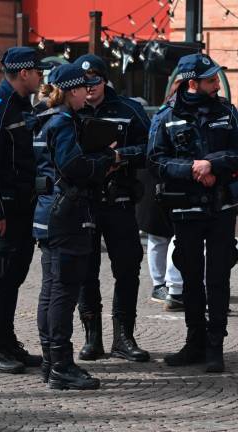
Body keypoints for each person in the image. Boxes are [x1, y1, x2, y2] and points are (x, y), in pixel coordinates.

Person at [148, 53, 238, 373]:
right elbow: (155, 160)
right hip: (186, 207)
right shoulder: (165, 116)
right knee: (190, 276)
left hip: (221, 206)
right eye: (211, 80)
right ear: (193, 83)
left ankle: (215, 344)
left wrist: (212, 165)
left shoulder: (228, 112)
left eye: (216, 79)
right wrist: (192, 168)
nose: (217, 84)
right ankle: (195, 341)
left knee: (218, 275)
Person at [0, 47, 51, 374]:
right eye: (37, 71)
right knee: (0, 278)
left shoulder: (20, 106)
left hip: (21, 209)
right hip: (4, 212)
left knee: (13, 277)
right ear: (23, 73)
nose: (41, 77)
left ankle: (7, 342)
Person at [32, 63, 111, 390]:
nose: (87, 93)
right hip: (66, 216)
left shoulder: (43, 118)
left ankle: (51, 362)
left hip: (49, 212)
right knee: (63, 293)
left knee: (51, 291)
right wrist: (107, 161)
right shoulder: (63, 122)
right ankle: (61, 365)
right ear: (71, 90)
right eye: (83, 88)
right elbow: (73, 166)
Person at [71, 54, 152, 363]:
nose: (88, 87)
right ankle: (93, 338)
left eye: (94, 80)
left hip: (119, 200)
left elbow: (150, 148)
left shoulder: (129, 109)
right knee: (85, 270)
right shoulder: (70, 111)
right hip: (84, 202)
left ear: (104, 80)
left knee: (128, 267)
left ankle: (123, 337)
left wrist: (119, 157)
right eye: (83, 82)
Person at [137, 76, 185, 312]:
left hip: (181, 181)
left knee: (176, 235)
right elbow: (154, 151)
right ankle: (160, 283)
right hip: (159, 181)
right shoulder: (163, 114)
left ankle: (174, 284)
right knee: (159, 235)